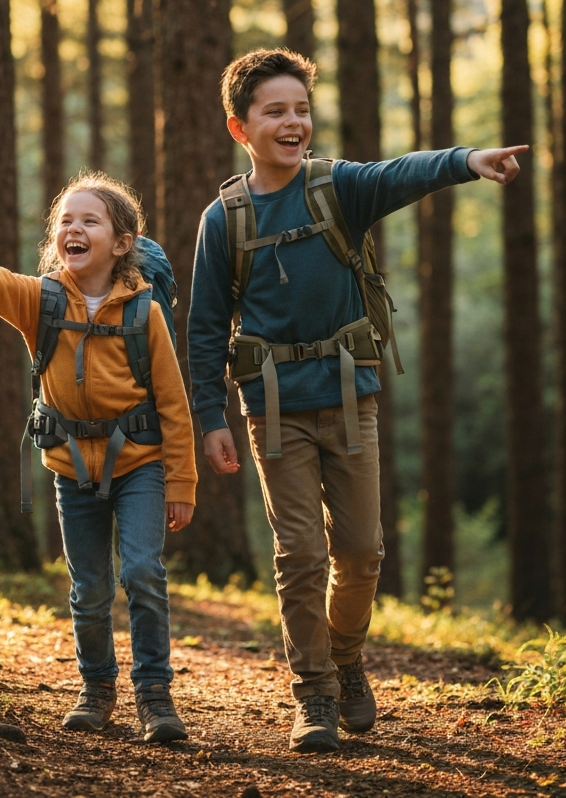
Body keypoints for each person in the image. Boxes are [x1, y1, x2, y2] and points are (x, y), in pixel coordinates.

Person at [187, 48, 526, 753]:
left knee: (364, 551)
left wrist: (468, 160)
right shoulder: (224, 220)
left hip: (349, 396)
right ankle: (312, 693)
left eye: (301, 109)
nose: (292, 122)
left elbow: (404, 172)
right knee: (301, 553)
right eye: (274, 111)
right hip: (273, 408)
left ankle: (346, 658)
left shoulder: (337, 188)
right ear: (238, 126)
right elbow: (205, 327)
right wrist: (209, 416)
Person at [0, 172, 197, 743]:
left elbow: (175, 403)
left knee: (143, 574)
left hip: (141, 467)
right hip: (71, 471)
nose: (73, 229)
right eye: (65, 221)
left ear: (121, 242)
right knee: (89, 588)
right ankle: (96, 690)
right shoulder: (42, 301)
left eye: (89, 221)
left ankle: (155, 696)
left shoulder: (145, 313)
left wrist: (182, 482)